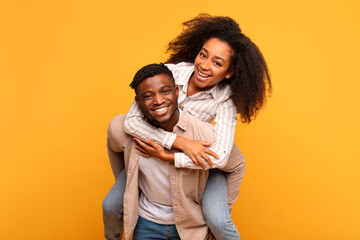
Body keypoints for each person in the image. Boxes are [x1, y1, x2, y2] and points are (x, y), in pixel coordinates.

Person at [123, 14, 272, 239]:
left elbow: (222, 157)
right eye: (203, 55)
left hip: (198, 166)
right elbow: (131, 122)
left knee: (218, 221)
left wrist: (170, 157)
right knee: (113, 204)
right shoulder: (170, 73)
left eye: (217, 63)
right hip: (160, 158)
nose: (204, 65)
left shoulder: (225, 99)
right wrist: (178, 142)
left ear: (228, 73)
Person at [105, 63, 244, 240]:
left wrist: (224, 211)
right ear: (138, 102)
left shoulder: (206, 134)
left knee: (219, 221)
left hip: (190, 227)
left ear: (177, 92)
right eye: (148, 96)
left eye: (165, 92)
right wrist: (131, 185)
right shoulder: (127, 129)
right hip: (146, 224)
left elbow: (236, 164)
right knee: (110, 205)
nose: (158, 100)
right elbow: (115, 145)